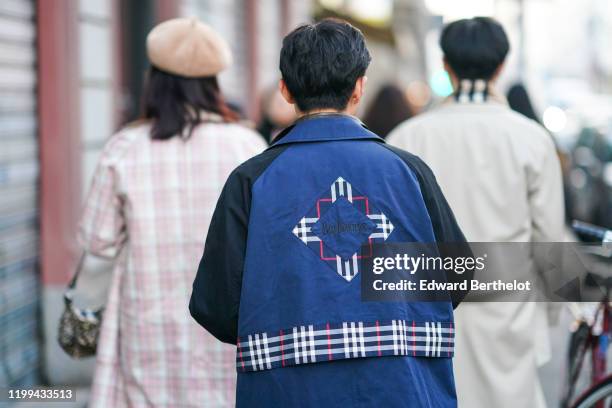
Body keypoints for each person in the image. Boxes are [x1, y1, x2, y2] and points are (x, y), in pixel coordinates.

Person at [190, 18, 471, 407]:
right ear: (359, 87)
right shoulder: (408, 173)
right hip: (401, 389)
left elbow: (214, 306)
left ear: (286, 90)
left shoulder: (251, 181)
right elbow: (458, 278)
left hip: (285, 392)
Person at [78, 18, 267, 407]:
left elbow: (99, 243)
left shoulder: (125, 147)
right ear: (214, 82)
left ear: (154, 80)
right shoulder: (247, 145)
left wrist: (82, 312)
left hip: (147, 325)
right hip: (225, 326)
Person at [388, 17, 565, 408]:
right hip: (508, 299)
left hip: (428, 301)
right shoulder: (531, 138)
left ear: (445, 65)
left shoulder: (407, 137)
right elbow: (549, 238)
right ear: (501, 67)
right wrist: (554, 314)